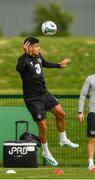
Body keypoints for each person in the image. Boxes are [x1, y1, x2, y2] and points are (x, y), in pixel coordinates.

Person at [16, 37, 79, 166]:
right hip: (32, 99)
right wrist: (25, 54)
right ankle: (45, 151)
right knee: (43, 126)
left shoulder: (38, 56)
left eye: (39, 46)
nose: (39, 48)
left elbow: (44, 63)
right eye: (36, 46)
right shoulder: (23, 59)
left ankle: (63, 139)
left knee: (61, 114)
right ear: (29, 47)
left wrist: (58, 65)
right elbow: (19, 68)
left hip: (44, 93)